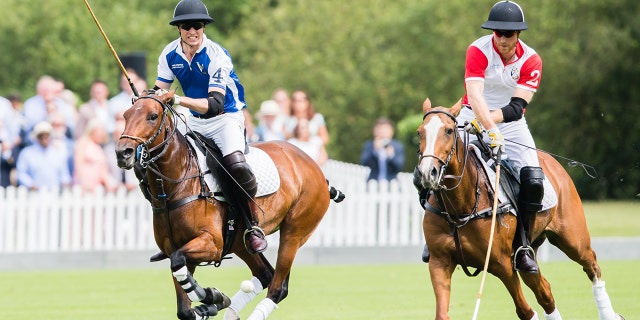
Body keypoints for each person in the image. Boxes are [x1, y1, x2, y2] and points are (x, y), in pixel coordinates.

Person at [421, 1, 543, 274]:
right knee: (437, 163)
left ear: (518, 34)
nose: (501, 38)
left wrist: (491, 126)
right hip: (469, 115)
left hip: (510, 124)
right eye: (497, 32)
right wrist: (485, 126)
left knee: (534, 180)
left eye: (507, 34)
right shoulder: (478, 49)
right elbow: (474, 96)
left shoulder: (531, 59)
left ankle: (523, 246)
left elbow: (516, 108)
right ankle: (432, 235)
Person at [151, 0, 266, 254]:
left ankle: (252, 225)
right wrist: (147, 98)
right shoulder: (169, 54)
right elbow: (160, 89)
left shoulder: (217, 55)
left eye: (198, 26)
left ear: (203, 27)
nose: (192, 31)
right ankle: (172, 232)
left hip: (226, 118)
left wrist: (177, 99)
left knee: (235, 164)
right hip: (193, 120)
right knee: (162, 159)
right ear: (178, 28)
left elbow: (215, 104)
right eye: (186, 26)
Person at [16, 121, 71, 191]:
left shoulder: (57, 152)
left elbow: (64, 174)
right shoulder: (27, 153)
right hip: (34, 194)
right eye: (41, 136)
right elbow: (21, 173)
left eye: (46, 136)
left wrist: (65, 184)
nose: (44, 139)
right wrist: (31, 185)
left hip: (54, 193)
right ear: (37, 137)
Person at [73, 119, 117, 193]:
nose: (102, 135)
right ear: (92, 130)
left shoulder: (99, 147)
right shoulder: (83, 142)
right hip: (84, 188)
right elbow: (78, 163)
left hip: (97, 188)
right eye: (100, 132)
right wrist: (82, 183)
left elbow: (103, 169)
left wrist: (109, 182)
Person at [360, 117, 405, 182]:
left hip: (392, 183)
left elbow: (399, 167)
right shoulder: (369, 145)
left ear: (391, 131)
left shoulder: (398, 146)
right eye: (379, 129)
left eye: (385, 129)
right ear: (374, 131)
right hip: (372, 182)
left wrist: (391, 156)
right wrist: (374, 151)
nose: (382, 132)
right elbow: (364, 163)